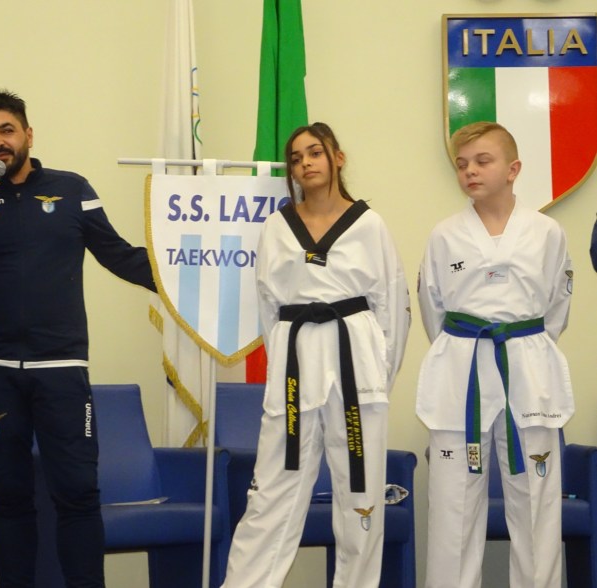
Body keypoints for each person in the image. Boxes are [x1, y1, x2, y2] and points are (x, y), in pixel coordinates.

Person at [0, 90, 156, 587]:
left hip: (61, 370)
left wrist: (187, 280)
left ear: (28, 135)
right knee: (9, 496)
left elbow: (119, 255)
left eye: (6, 130)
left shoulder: (72, 189)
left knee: (78, 493)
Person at [221, 122, 410, 588]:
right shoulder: (277, 226)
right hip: (295, 363)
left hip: (356, 363)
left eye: (315, 152)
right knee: (271, 489)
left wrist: (376, 377)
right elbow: (268, 307)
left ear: (337, 158)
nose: (305, 163)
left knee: (361, 492)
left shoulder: (368, 224)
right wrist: (285, 364)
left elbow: (391, 305)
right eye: (296, 157)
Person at [417, 121, 574, 588]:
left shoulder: (547, 232)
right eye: (462, 164)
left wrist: (524, 347)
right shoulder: (445, 235)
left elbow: (556, 309)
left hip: (527, 370)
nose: (470, 171)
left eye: (483, 161)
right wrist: (467, 350)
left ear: (513, 169)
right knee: (453, 505)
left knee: (537, 503)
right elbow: (433, 309)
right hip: (461, 372)